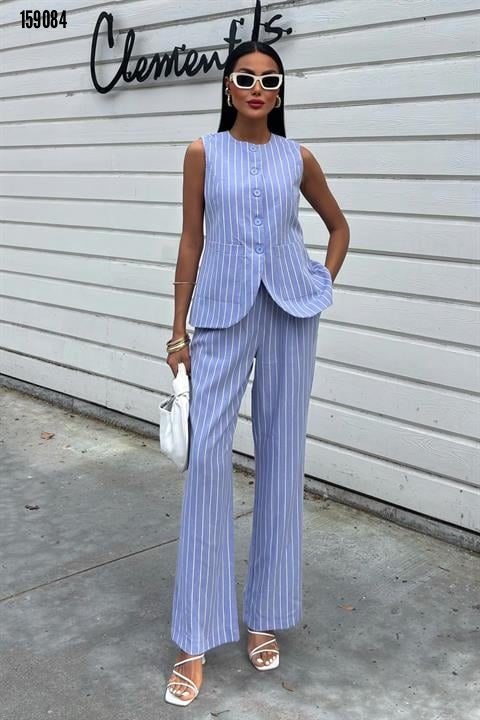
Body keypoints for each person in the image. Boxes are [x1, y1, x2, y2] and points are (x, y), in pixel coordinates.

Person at [164, 40, 349, 707]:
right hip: (220, 314)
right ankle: (194, 637)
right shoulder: (202, 153)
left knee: (281, 460)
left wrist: (320, 283)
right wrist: (177, 329)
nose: (257, 89)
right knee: (207, 465)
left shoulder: (298, 157)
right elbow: (192, 239)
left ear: (279, 91)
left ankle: (265, 614)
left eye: (269, 80)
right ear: (227, 86)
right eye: (245, 78)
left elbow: (338, 227)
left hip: (291, 315)